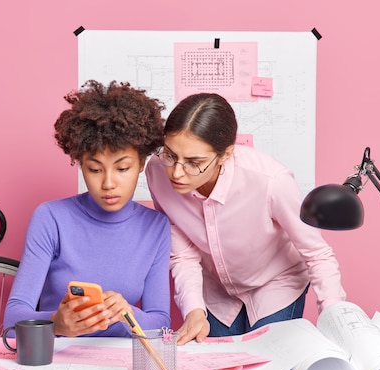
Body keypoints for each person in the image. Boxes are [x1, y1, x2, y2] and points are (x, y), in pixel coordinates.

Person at [145, 93, 347, 345]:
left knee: (267, 360)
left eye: (194, 162)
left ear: (226, 154)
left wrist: (335, 317)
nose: (176, 172)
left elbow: (316, 253)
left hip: (276, 283)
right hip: (216, 290)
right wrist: (194, 310)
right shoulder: (156, 172)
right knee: (219, 368)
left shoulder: (271, 181)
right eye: (170, 155)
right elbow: (182, 253)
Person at [4, 80, 171, 337]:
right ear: (80, 164)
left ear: (141, 164)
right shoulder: (51, 218)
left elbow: (162, 325)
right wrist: (55, 323)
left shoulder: (155, 226)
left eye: (122, 168)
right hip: (58, 362)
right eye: (94, 169)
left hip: (121, 366)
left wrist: (129, 314)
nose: (108, 183)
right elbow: (13, 319)